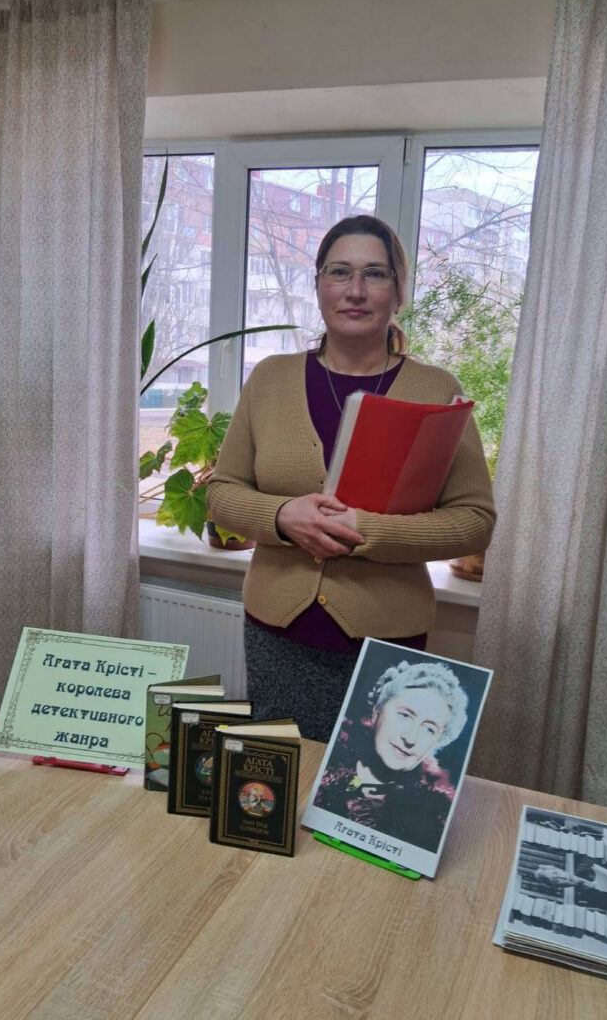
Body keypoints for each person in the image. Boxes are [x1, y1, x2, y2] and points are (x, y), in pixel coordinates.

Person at [207, 215, 495, 741]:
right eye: (340, 272)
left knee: (365, 779)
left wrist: (368, 530)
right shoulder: (270, 379)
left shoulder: (436, 389)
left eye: (375, 274)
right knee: (280, 772)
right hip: (276, 631)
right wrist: (282, 515)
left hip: (389, 641)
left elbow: (474, 521)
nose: (356, 290)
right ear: (319, 284)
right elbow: (222, 494)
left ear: (399, 291)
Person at [312, 659, 469, 852]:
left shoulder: (432, 822)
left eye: (429, 729)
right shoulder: (322, 769)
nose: (411, 738)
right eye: (405, 715)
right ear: (376, 712)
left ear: (437, 742)